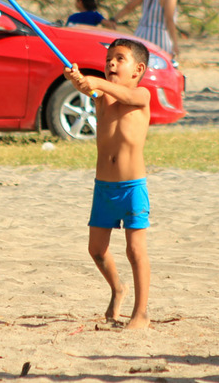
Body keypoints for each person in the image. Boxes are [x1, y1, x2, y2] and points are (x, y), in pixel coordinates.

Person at [63, 39, 152, 329]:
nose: (111, 64)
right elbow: (90, 89)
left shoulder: (141, 95)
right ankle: (118, 289)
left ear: (138, 69)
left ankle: (141, 313)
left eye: (119, 59)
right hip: (104, 188)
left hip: (132, 188)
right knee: (97, 250)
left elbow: (124, 95)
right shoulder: (101, 97)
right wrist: (78, 80)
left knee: (135, 251)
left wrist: (94, 81)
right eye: (108, 59)